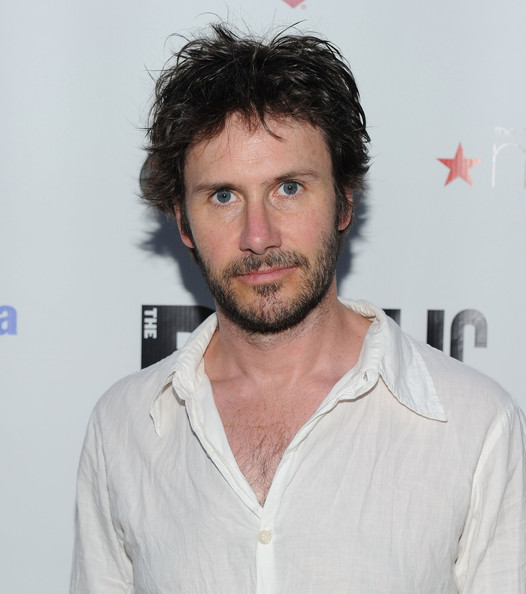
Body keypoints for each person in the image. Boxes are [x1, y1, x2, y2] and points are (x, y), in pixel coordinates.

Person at [70, 24, 526, 593]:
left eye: (288, 187)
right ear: (183, 222)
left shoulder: (475, 425)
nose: (258, 236)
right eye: (223, 196)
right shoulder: (123, 428)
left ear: (344, 202)